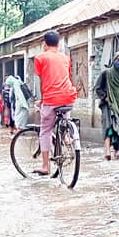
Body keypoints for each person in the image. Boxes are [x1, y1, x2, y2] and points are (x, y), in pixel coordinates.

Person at [33, 30, 78, 176]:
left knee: (45, 130)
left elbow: (42, 81)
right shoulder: (65, 58)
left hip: (51, 99)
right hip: (68, 97)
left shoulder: (40, 58)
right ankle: (66, 136)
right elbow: (66, 77)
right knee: (64, 120)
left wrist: (42, 100)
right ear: (58, 44)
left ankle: (45, 166)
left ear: (44, 44)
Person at [96, 51, 119, 160]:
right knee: (109, 127)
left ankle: (117, 151)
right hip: (108, 105)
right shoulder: (106, 74)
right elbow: (98, 88)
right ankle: (107, 150)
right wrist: (105, 97)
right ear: (113, 60)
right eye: (117, 59)